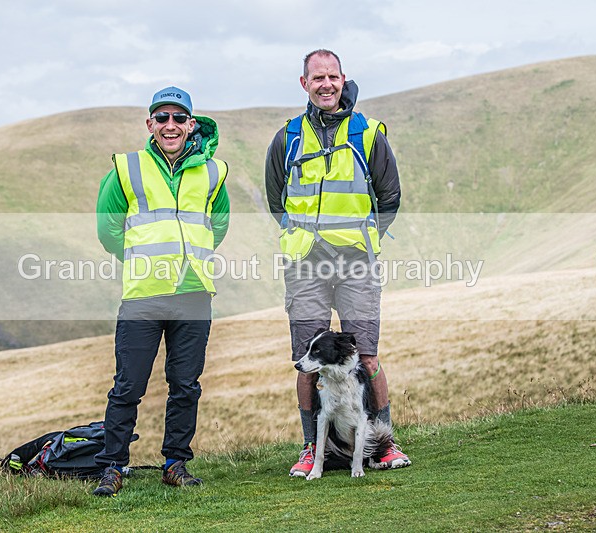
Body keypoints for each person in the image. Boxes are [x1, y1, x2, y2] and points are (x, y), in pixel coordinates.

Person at [264, 49, 410, 477]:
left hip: (356, 262)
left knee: (367, 356)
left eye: (332, 77)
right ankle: (312, 448)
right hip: (306, 264)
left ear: (343, 80)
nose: (326, 84)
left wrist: (364, 239)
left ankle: (382, 443)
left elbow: (390, 196)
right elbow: (276, 201)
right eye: (317, 78)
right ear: (304, 83)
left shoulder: (368, 133)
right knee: (306, 360)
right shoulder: (287, 138)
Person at [92, 86, 230, 496]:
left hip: (194, 292)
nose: (171, 125)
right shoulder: (126, 168)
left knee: (185, 386)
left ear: (191, 124)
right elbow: (108, 228)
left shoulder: (213, 172)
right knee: (128, 386)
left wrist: (192, 258)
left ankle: (175, 464)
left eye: (179, 118)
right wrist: (142, 260)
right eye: (163, 117)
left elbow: (218, 224)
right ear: (150, 124)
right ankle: (113, 466)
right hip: (143, 295)